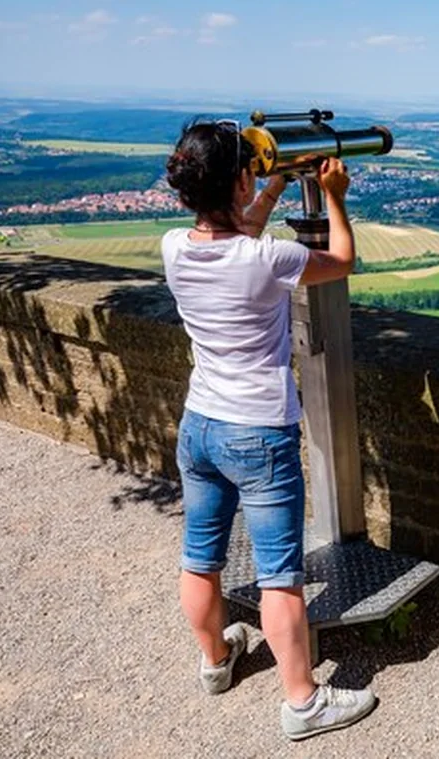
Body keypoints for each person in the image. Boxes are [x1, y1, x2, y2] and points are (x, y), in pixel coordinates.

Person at [161, 120, 374, 741]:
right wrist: (333, 195)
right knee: (281, 573)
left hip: (200, 425)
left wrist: (273, 187)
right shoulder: (269, 259)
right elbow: (340, 262)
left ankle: (216, 661)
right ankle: (303, 703)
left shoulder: (176, 246)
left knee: (200, 558)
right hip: (258, 430)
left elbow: (236, 234)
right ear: (239, 177)